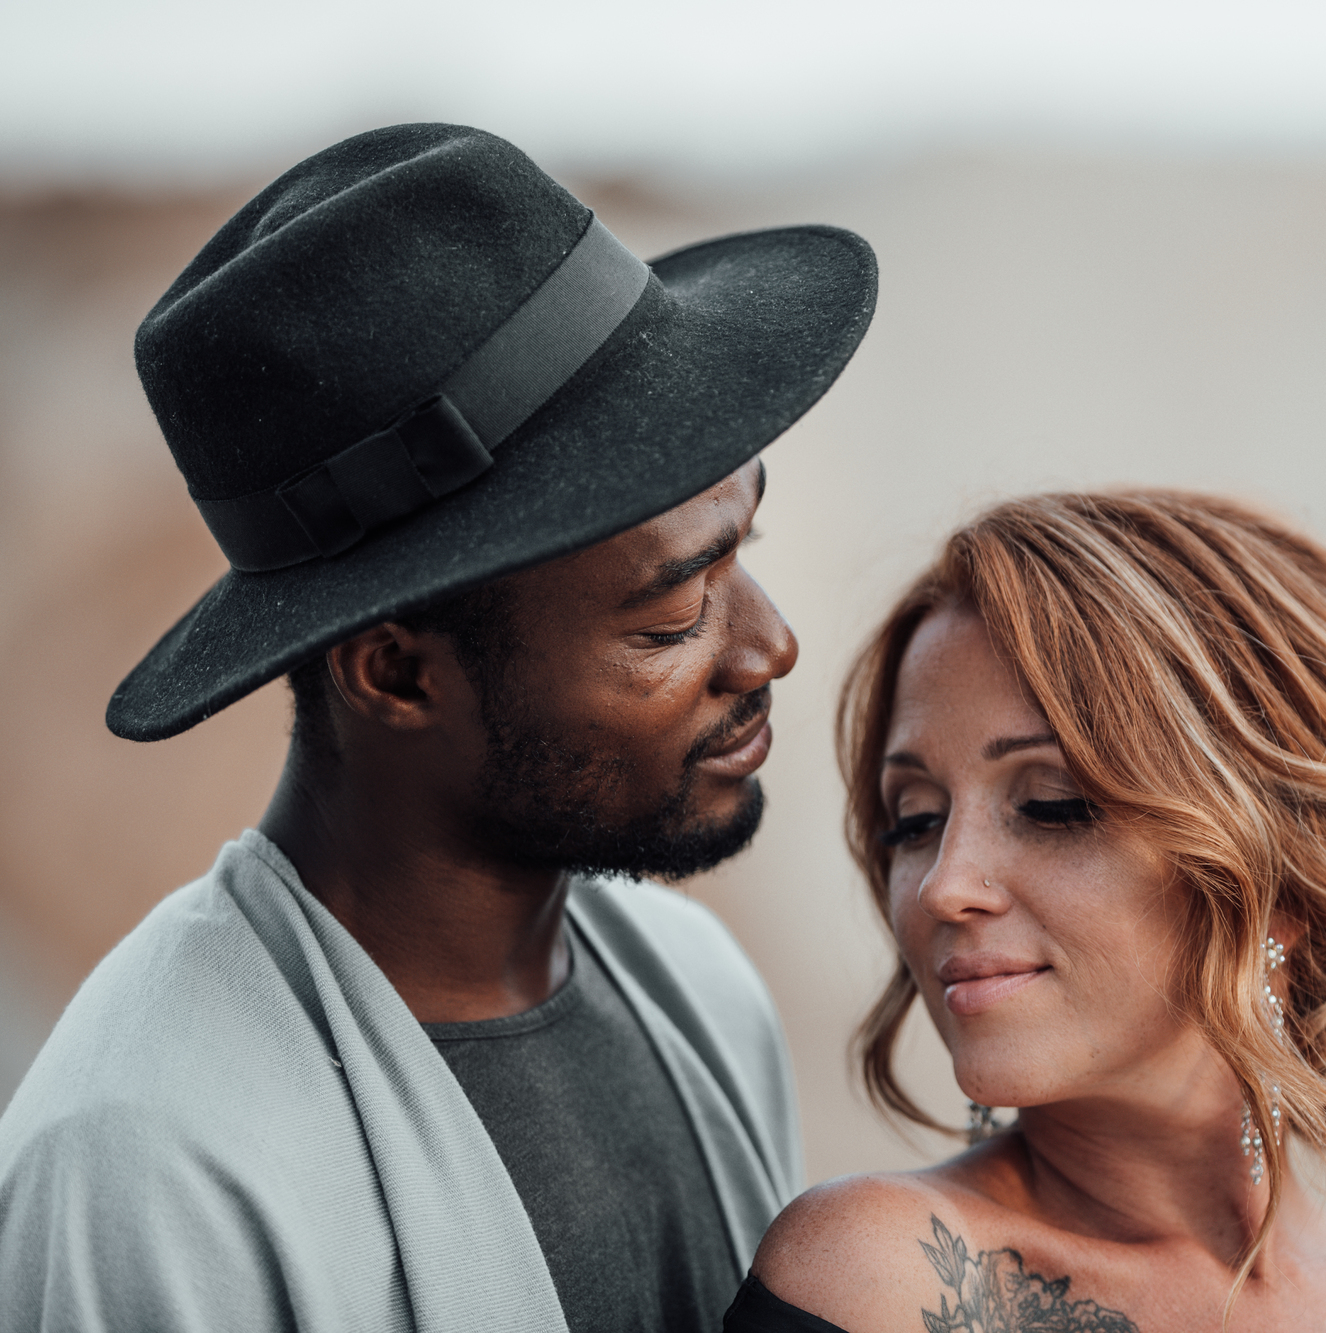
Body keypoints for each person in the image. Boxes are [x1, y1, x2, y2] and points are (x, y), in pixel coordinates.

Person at [0, 123, 876, 1331]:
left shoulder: (699, 992)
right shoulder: (146, 1164)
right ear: (398, 674)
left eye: (746, 550)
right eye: (673, 612)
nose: (769, 646)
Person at [726, 491, 1326, 1332]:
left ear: (1288, 869)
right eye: (916, 820)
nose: (943, 884)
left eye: (1051, 802)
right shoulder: (881, 1281)